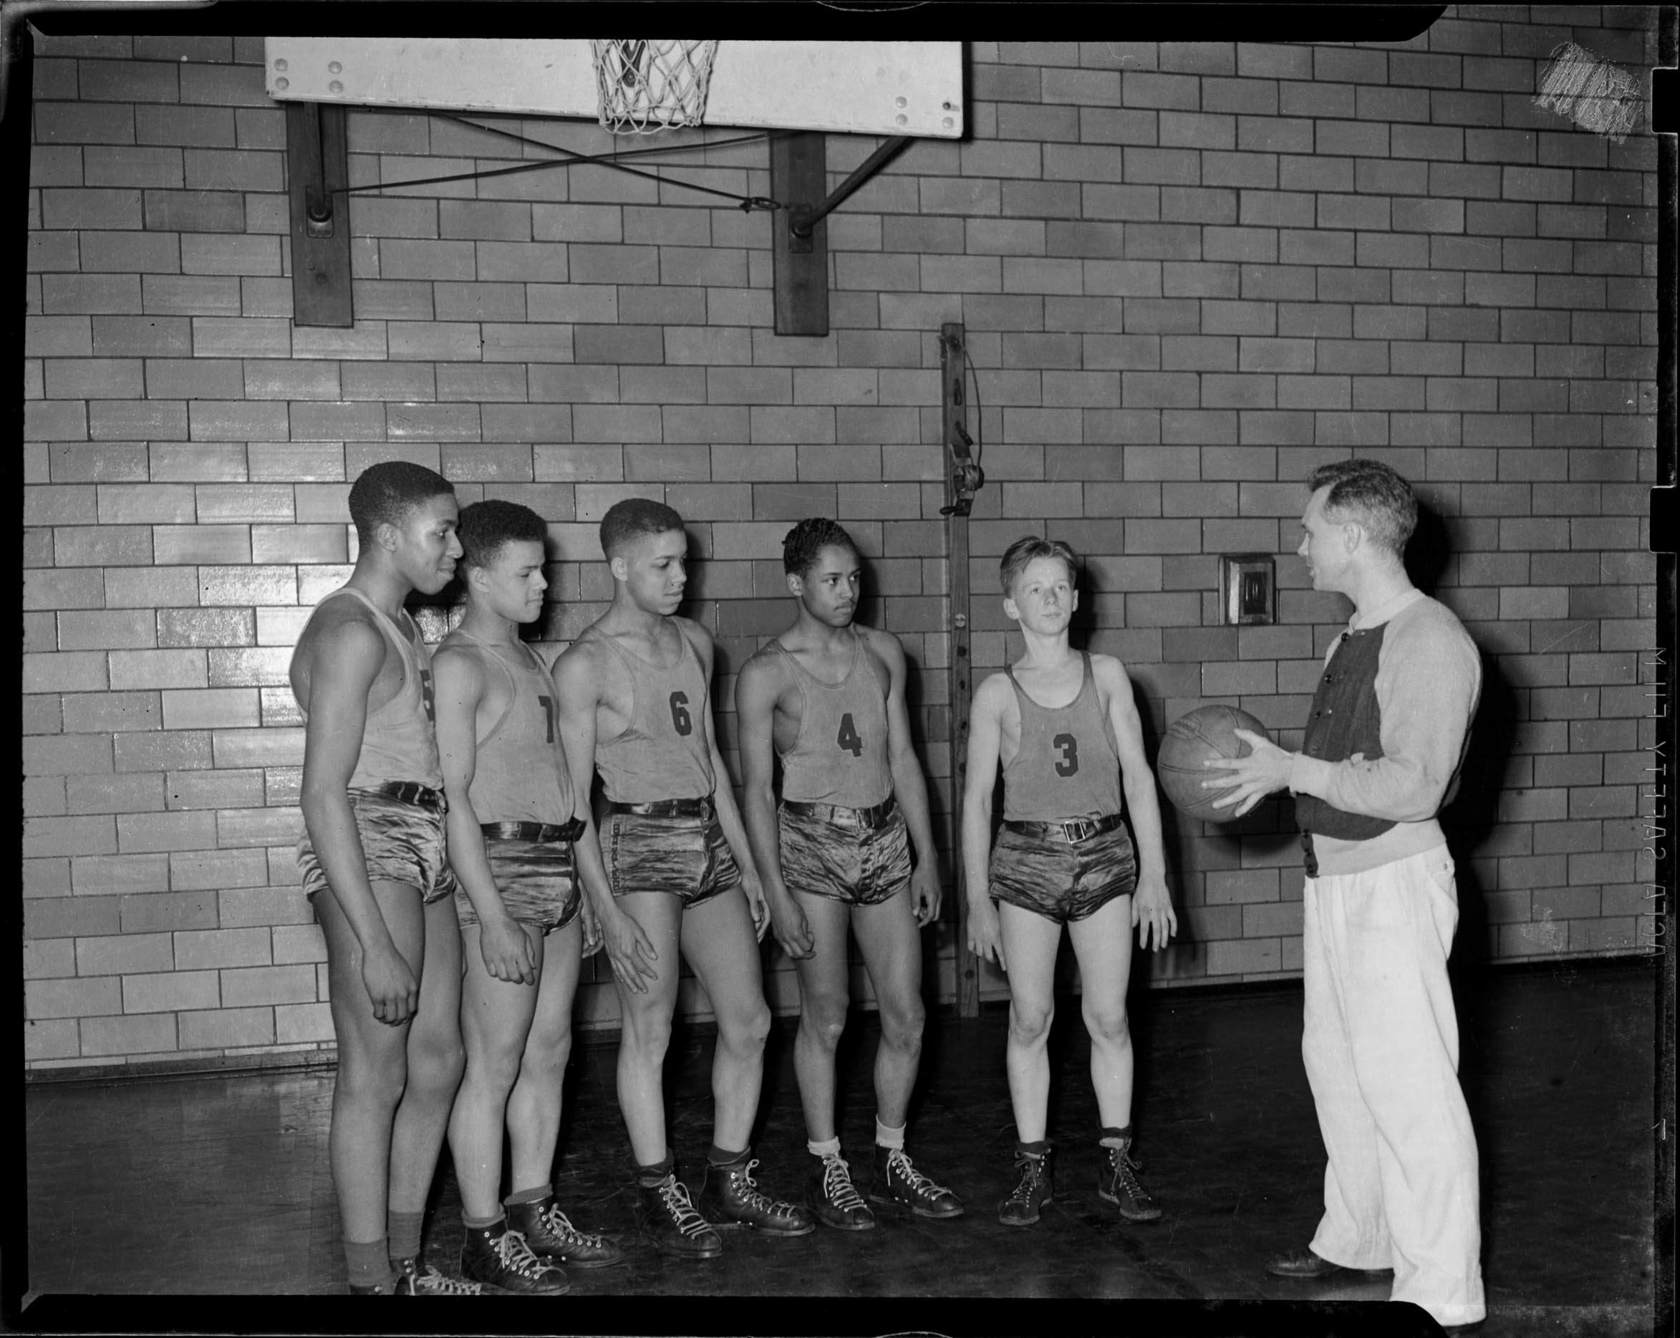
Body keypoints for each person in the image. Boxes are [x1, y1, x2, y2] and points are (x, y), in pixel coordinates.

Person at [1205, 458, 1486, 1332]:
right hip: (1335, 883)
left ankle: (1442, 1289)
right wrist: (1276, 778)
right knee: (1339, 1071)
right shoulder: (1352, 636)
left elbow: (1415, 785)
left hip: (1395, 882)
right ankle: (1364, 1235)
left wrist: (1296, 769)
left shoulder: (1430, 639)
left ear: (1354, 535)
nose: (1300, 547)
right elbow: (1341, 770)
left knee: (1410, 1090)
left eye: (1310, 530)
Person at [553, 498, 814, 1259]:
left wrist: (756, 870)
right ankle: (658, 1185)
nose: (680, 578)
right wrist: (602, 903)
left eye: (685, 563)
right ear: (619, 567)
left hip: (707, 837)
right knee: (652, 1025)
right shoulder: (585, 663)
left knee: (752, 1019)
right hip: (637, 842)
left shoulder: (695, 643)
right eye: (663, 565)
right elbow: (573, 801)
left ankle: (728, 1178)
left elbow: (715, 767)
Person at [736, 519, 963, 1231]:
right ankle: (828, 1162)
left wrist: (929, 857)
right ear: (796, 583)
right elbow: (754, 790)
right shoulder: (767, 671)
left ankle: (892, 1156)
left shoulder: (884, 652)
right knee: (827, 1016)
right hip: (810, 845)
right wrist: (774, 889)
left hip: (885, 839)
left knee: (907, 1014)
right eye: (832, 580)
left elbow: (903, 760)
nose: (847, 592)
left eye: (855, 578)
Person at [289, 461, 478, 1295]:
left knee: (437, 1061)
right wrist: (372, 942)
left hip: (424, 841)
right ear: (388, 534)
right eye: (443, 531)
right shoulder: (351, 630)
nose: (457, 547)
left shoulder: (400, 625)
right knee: (377, 1070)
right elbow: (322, 790)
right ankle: (371, 1284)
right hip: (371, 840)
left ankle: (406, 1263)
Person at [433, 500, 625, 1294]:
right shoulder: (459, 665)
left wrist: (596, 900)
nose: (545, 583)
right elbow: (452, 799)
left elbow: (565, 796)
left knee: (551, 1053)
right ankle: (483, 1233)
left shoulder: (533, 661)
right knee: (498, 1059)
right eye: (527, 572)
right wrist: (491, 914)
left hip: (555, 869)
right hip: (500, 872)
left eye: (543, 567)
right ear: (478, 578)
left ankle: (534, 1202)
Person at [960, 535, 1177, 1229]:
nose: (1051, 599)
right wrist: (977, 902)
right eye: (1036, 589)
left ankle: (1118, 1163)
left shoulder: (1109, 674)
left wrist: (1154, 878)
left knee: (1109, 1016)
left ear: (1078, 598)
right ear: (1010, 605)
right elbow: (975, 802)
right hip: (1026, 861)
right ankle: (1032, 1166)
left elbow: (1140, 779)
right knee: (1031, 1018)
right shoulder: (997, 692)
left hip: (1105, 854)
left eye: (1061, 587)